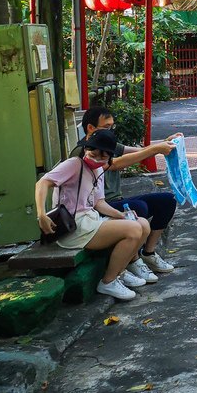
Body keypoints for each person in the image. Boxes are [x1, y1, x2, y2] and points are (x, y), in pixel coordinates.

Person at [36, 129, 153, 301]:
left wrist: (121, 215)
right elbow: (42, 182)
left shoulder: (98, 170)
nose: (97, 159)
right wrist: (41, 214)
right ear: (86, 149)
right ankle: (108, 281)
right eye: (94, 153)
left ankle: (119, 273)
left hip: (91, 220)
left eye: (103, 157)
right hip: (73, 228)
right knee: (133, 230)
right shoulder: (74, 164)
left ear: (110, 157)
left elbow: (99, 203)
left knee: (142, 223)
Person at [78, 106, 180, 275]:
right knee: (139, 208)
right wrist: (155, 150)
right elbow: (114, 164)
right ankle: (132, 260)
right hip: (96, 208)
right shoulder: (86, 150)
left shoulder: (108, 143)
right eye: (106, 127)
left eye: (112, 127)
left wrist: (164, 143)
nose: (110, 130)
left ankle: (149, 253)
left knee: (167, 200)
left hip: (115, 201)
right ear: (90, 128)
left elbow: (140, 151)